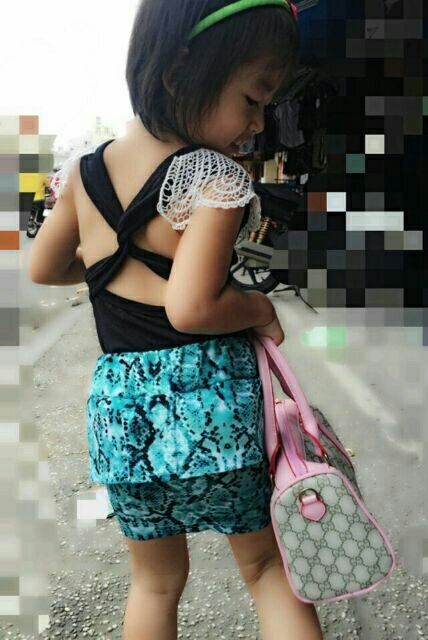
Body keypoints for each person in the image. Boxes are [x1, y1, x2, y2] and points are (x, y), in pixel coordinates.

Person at [28, 1, 324, 639]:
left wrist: (108, 267)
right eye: (251, 100)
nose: (258, 123)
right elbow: (190, 308)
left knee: (155, 584)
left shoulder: (82, 172)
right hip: (210, 407)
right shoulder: (211, 175)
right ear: (179, 71)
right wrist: (260, 307)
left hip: (121, 417)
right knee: (267, 568)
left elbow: (44, 268)